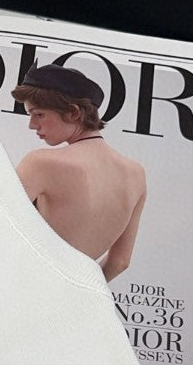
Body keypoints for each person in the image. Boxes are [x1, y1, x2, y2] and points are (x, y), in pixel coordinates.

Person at [13, 63, 146, 284]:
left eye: (38, 114)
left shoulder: (41, 163)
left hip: (25, 286)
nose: (32, 125)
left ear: (73, 112)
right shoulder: (136, 174)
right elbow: (120, 262)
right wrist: (74, 292)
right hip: (69, 297)